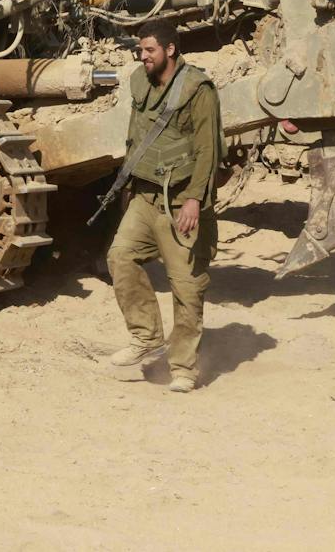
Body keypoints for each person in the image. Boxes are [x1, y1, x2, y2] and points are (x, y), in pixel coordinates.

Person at [105, 21, 222, 394]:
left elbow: (208, 149)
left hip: (181, 202)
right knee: (120, 256)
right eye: (140, 50)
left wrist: (194, 200)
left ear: (170, 50)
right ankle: (147, 337)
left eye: (150, 50)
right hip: (145, 196)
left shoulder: (197, 89)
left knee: (186, 286)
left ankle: (184, 368)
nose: (143, 57)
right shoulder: (141, 82)